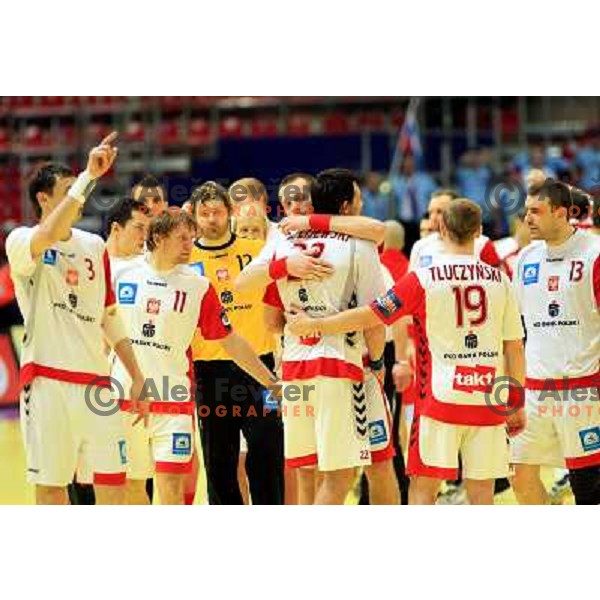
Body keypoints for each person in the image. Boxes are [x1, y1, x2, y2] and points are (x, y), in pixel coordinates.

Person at [287, 199, 527, 505]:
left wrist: (315, 324)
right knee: (482, 492)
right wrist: (516, 403)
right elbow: (515, 347)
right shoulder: (502, 281)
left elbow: (370, 315)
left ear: (441, 228)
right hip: (489, 399)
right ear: (479, 231)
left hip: (440, 402)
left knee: (423, 489)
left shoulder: (422, 278)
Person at [6, 133, 148, 505]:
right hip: (47, 381)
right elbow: (50, 232)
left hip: (97, 384)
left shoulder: (94, 246)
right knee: (53, 488)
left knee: (113, 483)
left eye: (79, 189)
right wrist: (88, 176)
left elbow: (109, 317)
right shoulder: (21, 240)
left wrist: (136, 376)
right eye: (69, 190)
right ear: (43, 198)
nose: (80, 197)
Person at [111, 209, 279, 504]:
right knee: (132, 487)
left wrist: (270, 380)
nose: (191, 244)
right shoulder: (122, 273)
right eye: (182, 238)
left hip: (173, 399)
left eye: (192, 237)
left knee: (172, 490)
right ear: (159, 238)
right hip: (127, 397)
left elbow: (231, 341)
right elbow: (103, 326)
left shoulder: (198, 285)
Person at [260, 168, 396, 504]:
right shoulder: (359, 245)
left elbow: (269, 320)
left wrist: (303, 321)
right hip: (343, 367)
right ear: (347, 206)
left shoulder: (284, 243)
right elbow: (375, 318)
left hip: (294, 368)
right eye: (361, 200)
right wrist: (378, 362)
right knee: (343, 475)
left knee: (309, 471)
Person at [189, 181, 284, 505]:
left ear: (229, 213)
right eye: (204, 213)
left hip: (260, 369)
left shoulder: (255, 250)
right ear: (195, 217)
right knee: (219, 463)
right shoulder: (185, 258)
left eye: (217, 212)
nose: (211, 219)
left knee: (268, 452)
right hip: (210, 370)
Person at [510, 179, 600, 505]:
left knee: (588, 488)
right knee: (518, 475)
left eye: (536, 211)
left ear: (561, 213)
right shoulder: (526, 258)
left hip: (584, 390)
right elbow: (513, 328)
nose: (527, 219)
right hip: (534, 390)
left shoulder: (593, 254)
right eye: (525, 212)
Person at [104, 197, 153, 504]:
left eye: (147, 230)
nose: (143, 237)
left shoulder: (146, 266)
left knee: (134, 480)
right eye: (138, 228)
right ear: (115, 228)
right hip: (89, 382)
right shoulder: (91, 264)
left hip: (129, 383)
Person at [390, 155, 437, 252]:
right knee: (405, 249)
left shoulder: (425, 180)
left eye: (411, 164)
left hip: (421, 220)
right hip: (403, 221)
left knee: (422, 247)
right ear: (402, 166)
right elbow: (389, 199)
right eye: (406, 164)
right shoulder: (395, 181)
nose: (408, 166)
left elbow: (436, 194)